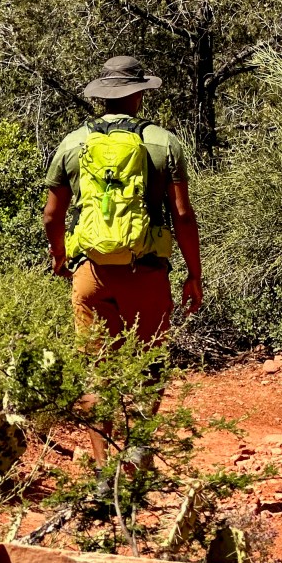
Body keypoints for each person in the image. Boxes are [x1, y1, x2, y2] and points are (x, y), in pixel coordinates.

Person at [43, 55, 203, 463]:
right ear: (138, 95)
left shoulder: (73, 143)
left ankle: (101, 471)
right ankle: (136, 458)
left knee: (98, 371)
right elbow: (182, 215)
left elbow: (51, 215)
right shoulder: (163, 142)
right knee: (148, 365)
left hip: (91, 272)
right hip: (145, 273)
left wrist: (61, 257)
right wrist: (193, 274)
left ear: (103, 95)